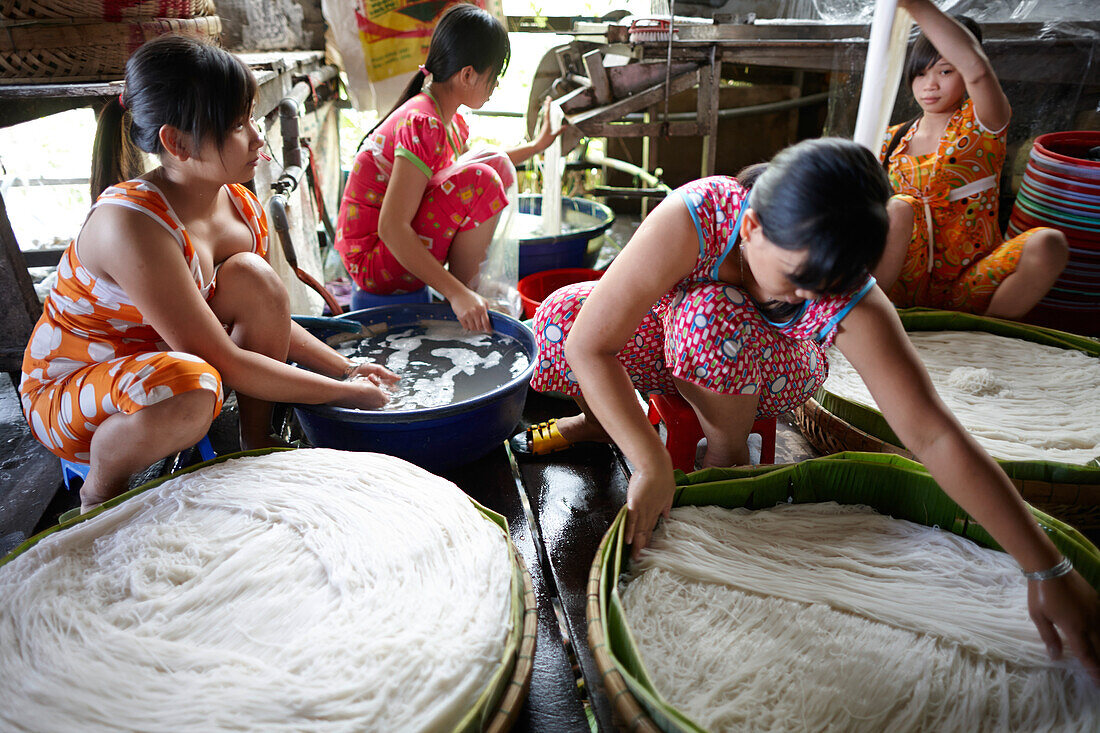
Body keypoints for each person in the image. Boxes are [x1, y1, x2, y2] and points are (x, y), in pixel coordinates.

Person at [517, 137, 1099, 682]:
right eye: (796, 282)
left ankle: (727, 455)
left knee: (711, 316)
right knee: (563, 315)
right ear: (750, 226)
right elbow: (591, 342)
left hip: (771, 369)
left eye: (825, 291)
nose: (806, 300)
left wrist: (1045, 568)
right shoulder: (696, 215)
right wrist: (647, 461)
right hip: (685, 334)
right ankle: (604, 423)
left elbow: (935, 436)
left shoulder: (837, 289)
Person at [19, 35, 398, 513]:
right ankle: (99, 489)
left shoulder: (236, 205)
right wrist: (347, 395)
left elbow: (271, 315)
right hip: (75, 392)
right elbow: (227, 362)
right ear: (176, 142)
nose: (258, 138)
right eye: (237, 125)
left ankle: (252, 449)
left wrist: (346, 368)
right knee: (198, 388)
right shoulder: (131, 224)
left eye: (251, 118)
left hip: (161, 364)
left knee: (256, 279)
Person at [335, 3, 559, 332]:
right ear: (467, 74)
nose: (495, 85)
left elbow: (471, 169)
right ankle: (461, 297)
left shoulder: (445, 118)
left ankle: (464, 291)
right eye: (493, 76)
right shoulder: (424, 122)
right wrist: (457, 294)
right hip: (372, 261)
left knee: (492, 163)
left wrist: (537, 146)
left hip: (382, 251)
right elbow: (392, 228)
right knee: (482, 181)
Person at [874, 0, 1067, 318]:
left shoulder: (982, 124)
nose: (930, 84)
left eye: (945, 71)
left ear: (963, 73)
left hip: (970, 283)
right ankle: (868, 317)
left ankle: (983, 333)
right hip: (898, 286)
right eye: (920, 74)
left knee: (1049, 243)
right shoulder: (890, 140)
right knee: (898, 207)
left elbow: (977, 71)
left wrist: (914, 6)